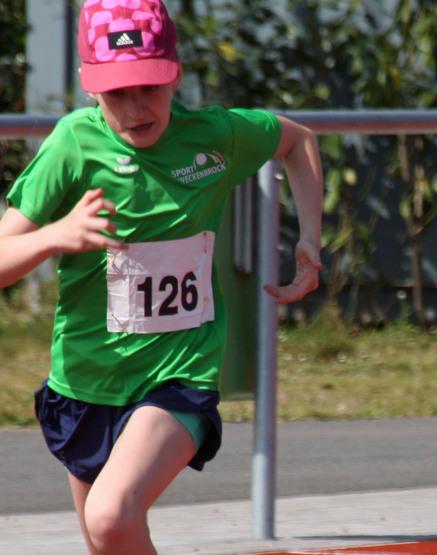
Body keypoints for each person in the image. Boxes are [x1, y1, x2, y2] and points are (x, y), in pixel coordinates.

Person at [0, 1, 323, 553]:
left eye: (149, 86)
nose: (136, 108)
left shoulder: (214, 135)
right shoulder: (73, 144)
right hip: (86, 382)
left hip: (179, 374)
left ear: (175, 74)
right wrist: (56, 236)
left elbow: (297, 140)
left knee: (110, 517)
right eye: (117, 93)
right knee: (110, 539)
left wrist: (310, 239)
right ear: (88, 86)